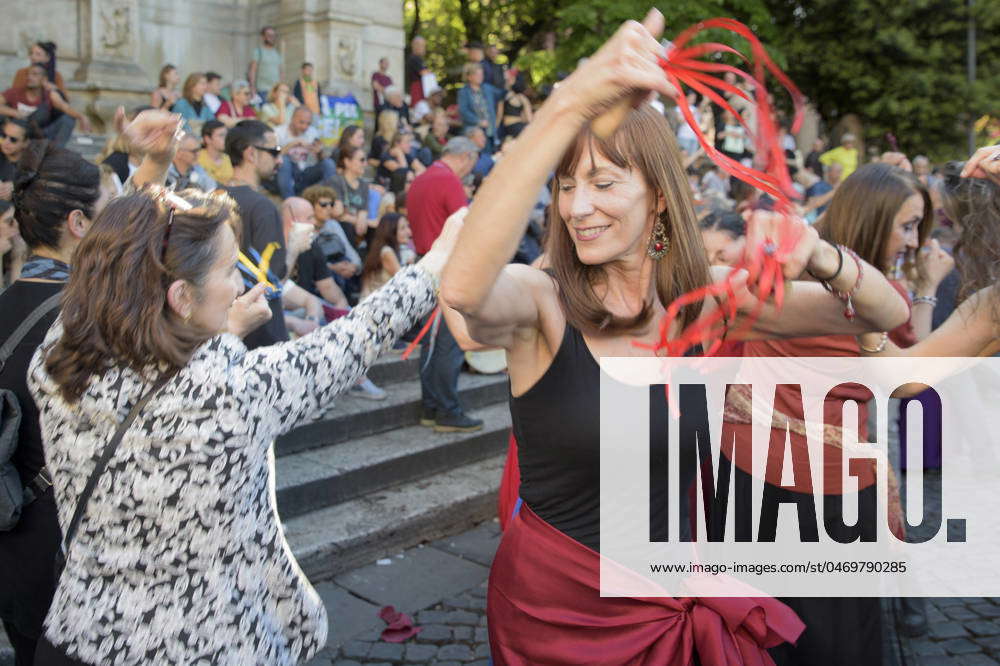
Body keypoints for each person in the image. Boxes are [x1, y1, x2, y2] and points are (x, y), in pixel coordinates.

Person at [438, 10, 910, 663]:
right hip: (561, 615)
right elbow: (463, 292)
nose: (578, 206)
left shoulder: (703, 301)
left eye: (603, 183)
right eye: (567, 185)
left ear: (658, 197)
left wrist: (819, 254)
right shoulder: (543, 303)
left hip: (672, 605)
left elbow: (883, 310)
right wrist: (569, 102)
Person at [26, 169, 459, 662]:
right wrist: (439, 261)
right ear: (182, 298)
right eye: (230, 268)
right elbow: (354, 339)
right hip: (200, 646)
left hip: (79, 635)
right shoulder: (226, 393)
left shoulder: (55, 356)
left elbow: (120, 269)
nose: (239, 284)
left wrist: (220, 333)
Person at [0, 109, 182, 666]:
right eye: (107, 208)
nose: (116, 218)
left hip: (13, 546)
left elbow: (121, 234)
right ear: (80, 225)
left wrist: (153, 163)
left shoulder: (14, 300)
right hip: (75, 559)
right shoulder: (88, 322)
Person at [408, 136, 483, 433]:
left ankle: (431, 406)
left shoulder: (421, 179)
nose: (469, 171)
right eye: (472, 164)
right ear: (465, 156)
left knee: (432, 341)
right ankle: (447, 410)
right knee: (447, 343)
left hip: (424, 264)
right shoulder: (448, 181)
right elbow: (466, 227)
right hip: (446, 268)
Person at [223, 120, 289, 350]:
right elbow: (273, 278)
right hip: (263, 335)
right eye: (274, 152)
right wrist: (296, 247)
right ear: (251, 153)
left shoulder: (210, 196)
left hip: (224, 331)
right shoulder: (262, 207)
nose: (279, 159)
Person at [1, 64, 90, 148]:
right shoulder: (15, 92)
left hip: (40, 135)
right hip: (15, 135)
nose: (29, 77)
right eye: (28, 74)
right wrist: (14, 113)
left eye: (35, 74)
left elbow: (65, 107)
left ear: (44, 79)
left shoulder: (49, 95)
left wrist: (82, 117)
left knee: (68, 119)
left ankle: (56, 152)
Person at [302, 184, 362, 300]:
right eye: (323, 205)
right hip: (316, 281)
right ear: (311, 206)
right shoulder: (305, 228)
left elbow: (349, 250)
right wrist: (333, 268)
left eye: (332, 204)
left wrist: (353, 266)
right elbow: (308, 266)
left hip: (341, 275)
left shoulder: (333, 225)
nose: (329, 208)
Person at [275, 107, 336, 199]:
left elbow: (321, 159)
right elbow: (274, 155)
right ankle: (289, 200)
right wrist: (293, 144)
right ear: (292, 118)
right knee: (284, 160)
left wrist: (319, 152)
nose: (305, 127)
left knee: (329, 163)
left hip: (305, 173)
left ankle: (326, 199)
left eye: (308, 123)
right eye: (301, 122)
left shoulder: (312, 132)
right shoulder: (278, 132)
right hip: (285, 174)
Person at [361, 212, 414, 299]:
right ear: (391, 231)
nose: (409, 232)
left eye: (408, 226)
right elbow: (404, 280)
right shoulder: (386, 252)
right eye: (402, 228)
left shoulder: (396, 249)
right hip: (376, 305)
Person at [327, 146, 371, 249]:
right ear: (347, 161)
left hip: (356, 226)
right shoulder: (336, 181)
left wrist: (362, 221)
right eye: (361, 160)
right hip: (339, 227)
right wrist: (360, 221)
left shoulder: (364, 185)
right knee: (347, 226)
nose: (365, 164)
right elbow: (337, 213)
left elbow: (363, 213)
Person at [458, 63, 500, 153]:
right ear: (469, 77)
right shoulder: (464, 92)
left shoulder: (486, 88)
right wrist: (478, 121)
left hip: (491, 129)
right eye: (477, 75)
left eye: (481, 74)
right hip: (475, 131)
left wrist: (508, 83)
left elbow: (501, 95)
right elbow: (463, 111)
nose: (480, 77)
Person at [0, 119, 35, 204]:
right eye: (4, 136)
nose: (6, 142)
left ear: (26, 143)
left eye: (13, 139)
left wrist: (16, 188)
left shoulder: (32, 165)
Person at [249, 26, 283, 105]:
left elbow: (280, 72)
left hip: (276, 91)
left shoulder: (276, 53)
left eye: (273, 36)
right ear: (263, 37)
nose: (272, 38)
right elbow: (252, 71)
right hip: (262, 90)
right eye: (269, 35)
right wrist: (252, 89)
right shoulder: (258, 52)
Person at [198, 119, 233, 185]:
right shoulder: (197, 157)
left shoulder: (227, 158)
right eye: (221, 135)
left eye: (226, 135)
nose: (226, 139)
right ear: (207, 139)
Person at [497, 74, 532, 140]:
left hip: (509, 128)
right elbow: (529, 118)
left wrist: (495, 128)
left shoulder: (503, 96)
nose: (508, 81)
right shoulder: (522, 98)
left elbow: (499, 116)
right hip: (517, 127)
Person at [406, 36, 429, 105]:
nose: (424, 48)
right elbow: (424, 73)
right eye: (422, 46)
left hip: (422, 87)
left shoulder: (419, 59)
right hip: (417, 88)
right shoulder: (414, 58)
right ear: (415, 46)